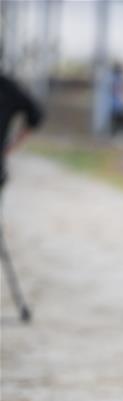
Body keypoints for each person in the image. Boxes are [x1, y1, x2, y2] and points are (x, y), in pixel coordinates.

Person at [0, 73, 44, 322]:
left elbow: (35, 116)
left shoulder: (8, 88)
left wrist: (10, 148)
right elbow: (36, 117)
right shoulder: (8, 86)